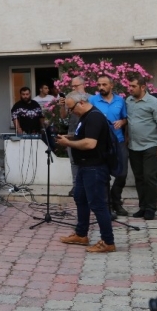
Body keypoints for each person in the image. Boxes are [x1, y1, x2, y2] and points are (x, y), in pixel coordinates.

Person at [56, 92, 116, 253]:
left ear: (81, 102)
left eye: (71, 108)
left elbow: (90, 143)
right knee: (80, 198)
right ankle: (81, 234)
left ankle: (108, 241)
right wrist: (68, 137)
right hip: (84, 166)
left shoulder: (94, 117)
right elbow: (82, 136)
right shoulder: (85, 116)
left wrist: (68, 143)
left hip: (95, 167)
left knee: (98, 204)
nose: (71, 112)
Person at [126, 73, 157, 220]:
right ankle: (142, 207)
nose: (130, 89)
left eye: (133, 86)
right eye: (129, 86)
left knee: (149, 177)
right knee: (139, 178)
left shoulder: (154, 102)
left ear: (143, 87)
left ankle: (151, 208)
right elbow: (128, 119)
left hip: (150, 145)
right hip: (133, 146)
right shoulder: (129, 101)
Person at [89, 75, 129, 217]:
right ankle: (107, 206)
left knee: (122, 173)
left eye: (104, 84)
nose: (101, 87)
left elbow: (126, 118)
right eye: (99, 84)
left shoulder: (120, 100)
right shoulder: (92, 100)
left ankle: (115, 200)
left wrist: (122, 122)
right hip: (101, 143)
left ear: (111, 85)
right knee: (104, 175)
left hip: (118, 141)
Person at [59, 77, 87, 195]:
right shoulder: (70, 98)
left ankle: (85, 185)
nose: (74, 88)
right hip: (72, 132)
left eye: (77, 86)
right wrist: (62, 105)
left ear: (83, 84)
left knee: (86, 161)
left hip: (86, 133)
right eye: (73, 86)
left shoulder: (90, 98)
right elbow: (63, 116)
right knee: (73, 161)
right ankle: (76, 186)